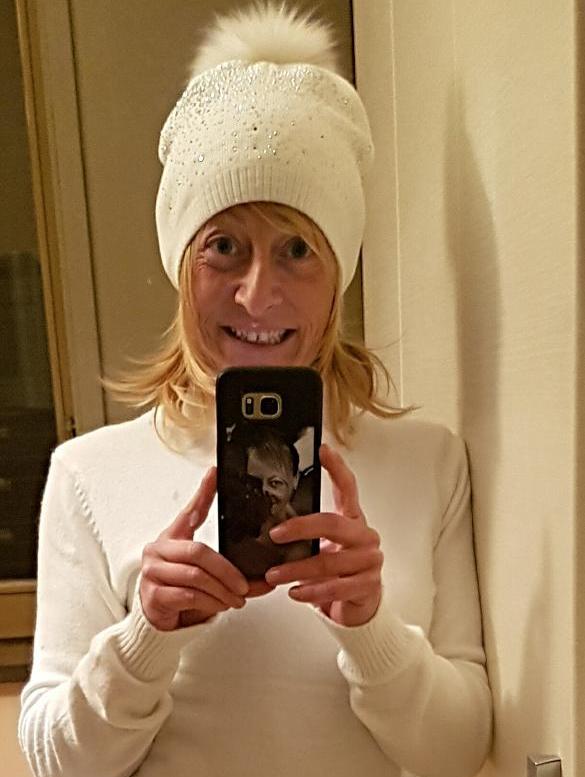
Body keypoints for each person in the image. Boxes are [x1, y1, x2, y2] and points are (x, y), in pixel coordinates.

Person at [18, 4, 492, 777]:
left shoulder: (429, 462)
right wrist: (144, 637)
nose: (256, 294)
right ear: (182, 264)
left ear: (339, 272)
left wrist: (370, 629)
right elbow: (53, 762)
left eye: (297, 248)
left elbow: (457, 751)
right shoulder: (88, 473)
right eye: (224, 246)